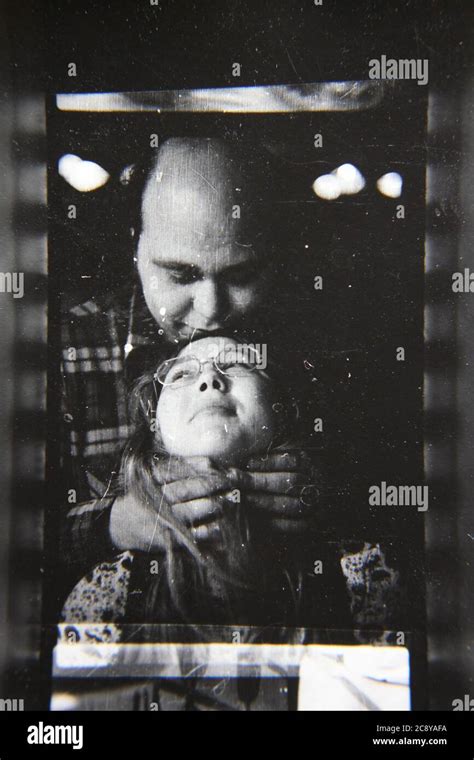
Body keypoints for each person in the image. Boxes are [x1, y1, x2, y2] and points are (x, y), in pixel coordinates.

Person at [59, 136, 324, 593]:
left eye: (241, 275)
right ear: (135, 247)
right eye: (181, 275)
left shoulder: (326, 346)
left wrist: (342, 501)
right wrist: (113, 526)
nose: (211, 308)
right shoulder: (64, 351)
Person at [61, 336, 400, 637]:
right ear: (156, 429)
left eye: (237, 362)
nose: (209, 378)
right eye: (181, 374)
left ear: (283, 411)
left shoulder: (365, 574)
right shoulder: (107, 590)